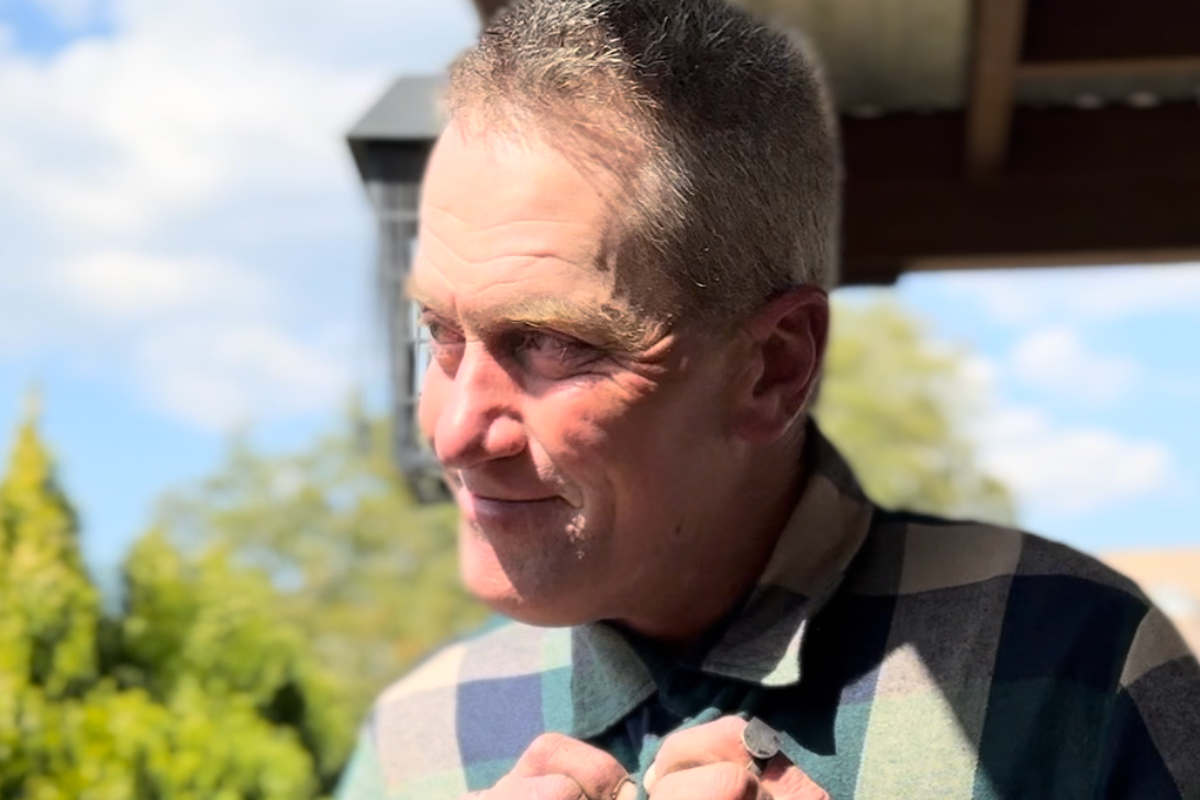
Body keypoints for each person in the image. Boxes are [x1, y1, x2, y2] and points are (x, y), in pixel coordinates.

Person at [336, 0, 1200, 798]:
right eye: (439, 334)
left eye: (553, 343)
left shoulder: (1078, 669)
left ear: (775, 367)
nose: (454, 432)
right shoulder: (415, 742)